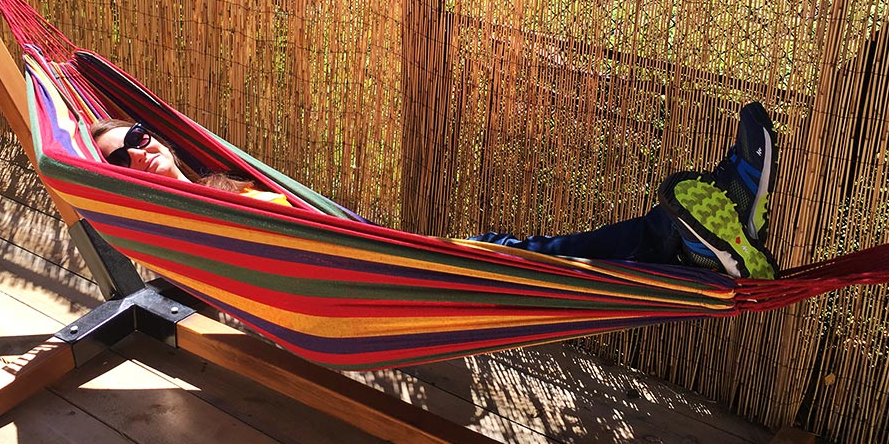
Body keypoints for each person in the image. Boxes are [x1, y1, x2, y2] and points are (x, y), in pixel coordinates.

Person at [91, 104, 781, 280]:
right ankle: (684, 244)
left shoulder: (218, 183)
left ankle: (687, 242)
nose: (139, 149)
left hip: (370, 251)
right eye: (122, 156)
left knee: (526, 252)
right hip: (358, 279)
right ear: (122, 183)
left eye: (139, 134)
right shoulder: (189, 222)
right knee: (522, 259)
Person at [470, 102, 779, 279]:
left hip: (458, 269)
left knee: (515, 256)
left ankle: (700, 248)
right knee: (538, 264)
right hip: (468, 273)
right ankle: (702, 241)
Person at [90, 118, 292, 206]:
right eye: (119, 159)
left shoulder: (232, 188)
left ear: (161, 142)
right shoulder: (162, 232)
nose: (138, 154)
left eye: (136, 138)